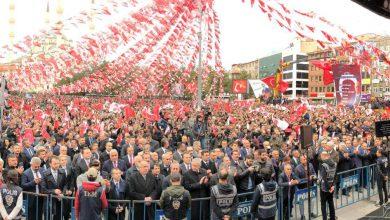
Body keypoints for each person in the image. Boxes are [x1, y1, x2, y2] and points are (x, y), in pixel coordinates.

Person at [41, 156, 67, 220]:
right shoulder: (45, 174)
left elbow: (65, 185)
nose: (57, 165)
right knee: (48, 217)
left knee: (59, 217)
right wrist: (54, 191)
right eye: (55, 164)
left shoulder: (62, 172)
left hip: (59, 200)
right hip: (49, 200)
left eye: (58, 163)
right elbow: (43, 189)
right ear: (50, 164)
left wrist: (62, 193)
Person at [294, 155, 317, 220]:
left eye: (306, 159)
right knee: (301, 202)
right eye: (304, 159)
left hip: (311, 186)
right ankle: (302, 215)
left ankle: (311, 212)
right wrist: (306, 179)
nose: (305, 160)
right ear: (300, 160)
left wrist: (313, 176)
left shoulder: (310, 165)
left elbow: (314, 173)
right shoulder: (297, 168)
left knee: (312, 200)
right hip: (302, 188)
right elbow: (297, 179)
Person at [319, 151, 337, 220]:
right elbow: (335, 176)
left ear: (324, 156)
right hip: (331, 186)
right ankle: (332, 218)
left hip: (324, 188)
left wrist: (329, 187)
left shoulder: (324, 165)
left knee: (323, 205)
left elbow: (324, 178)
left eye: (321, 156)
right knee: (331, 203)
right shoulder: (335, 164)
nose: (321, 157)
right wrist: (332, 186)